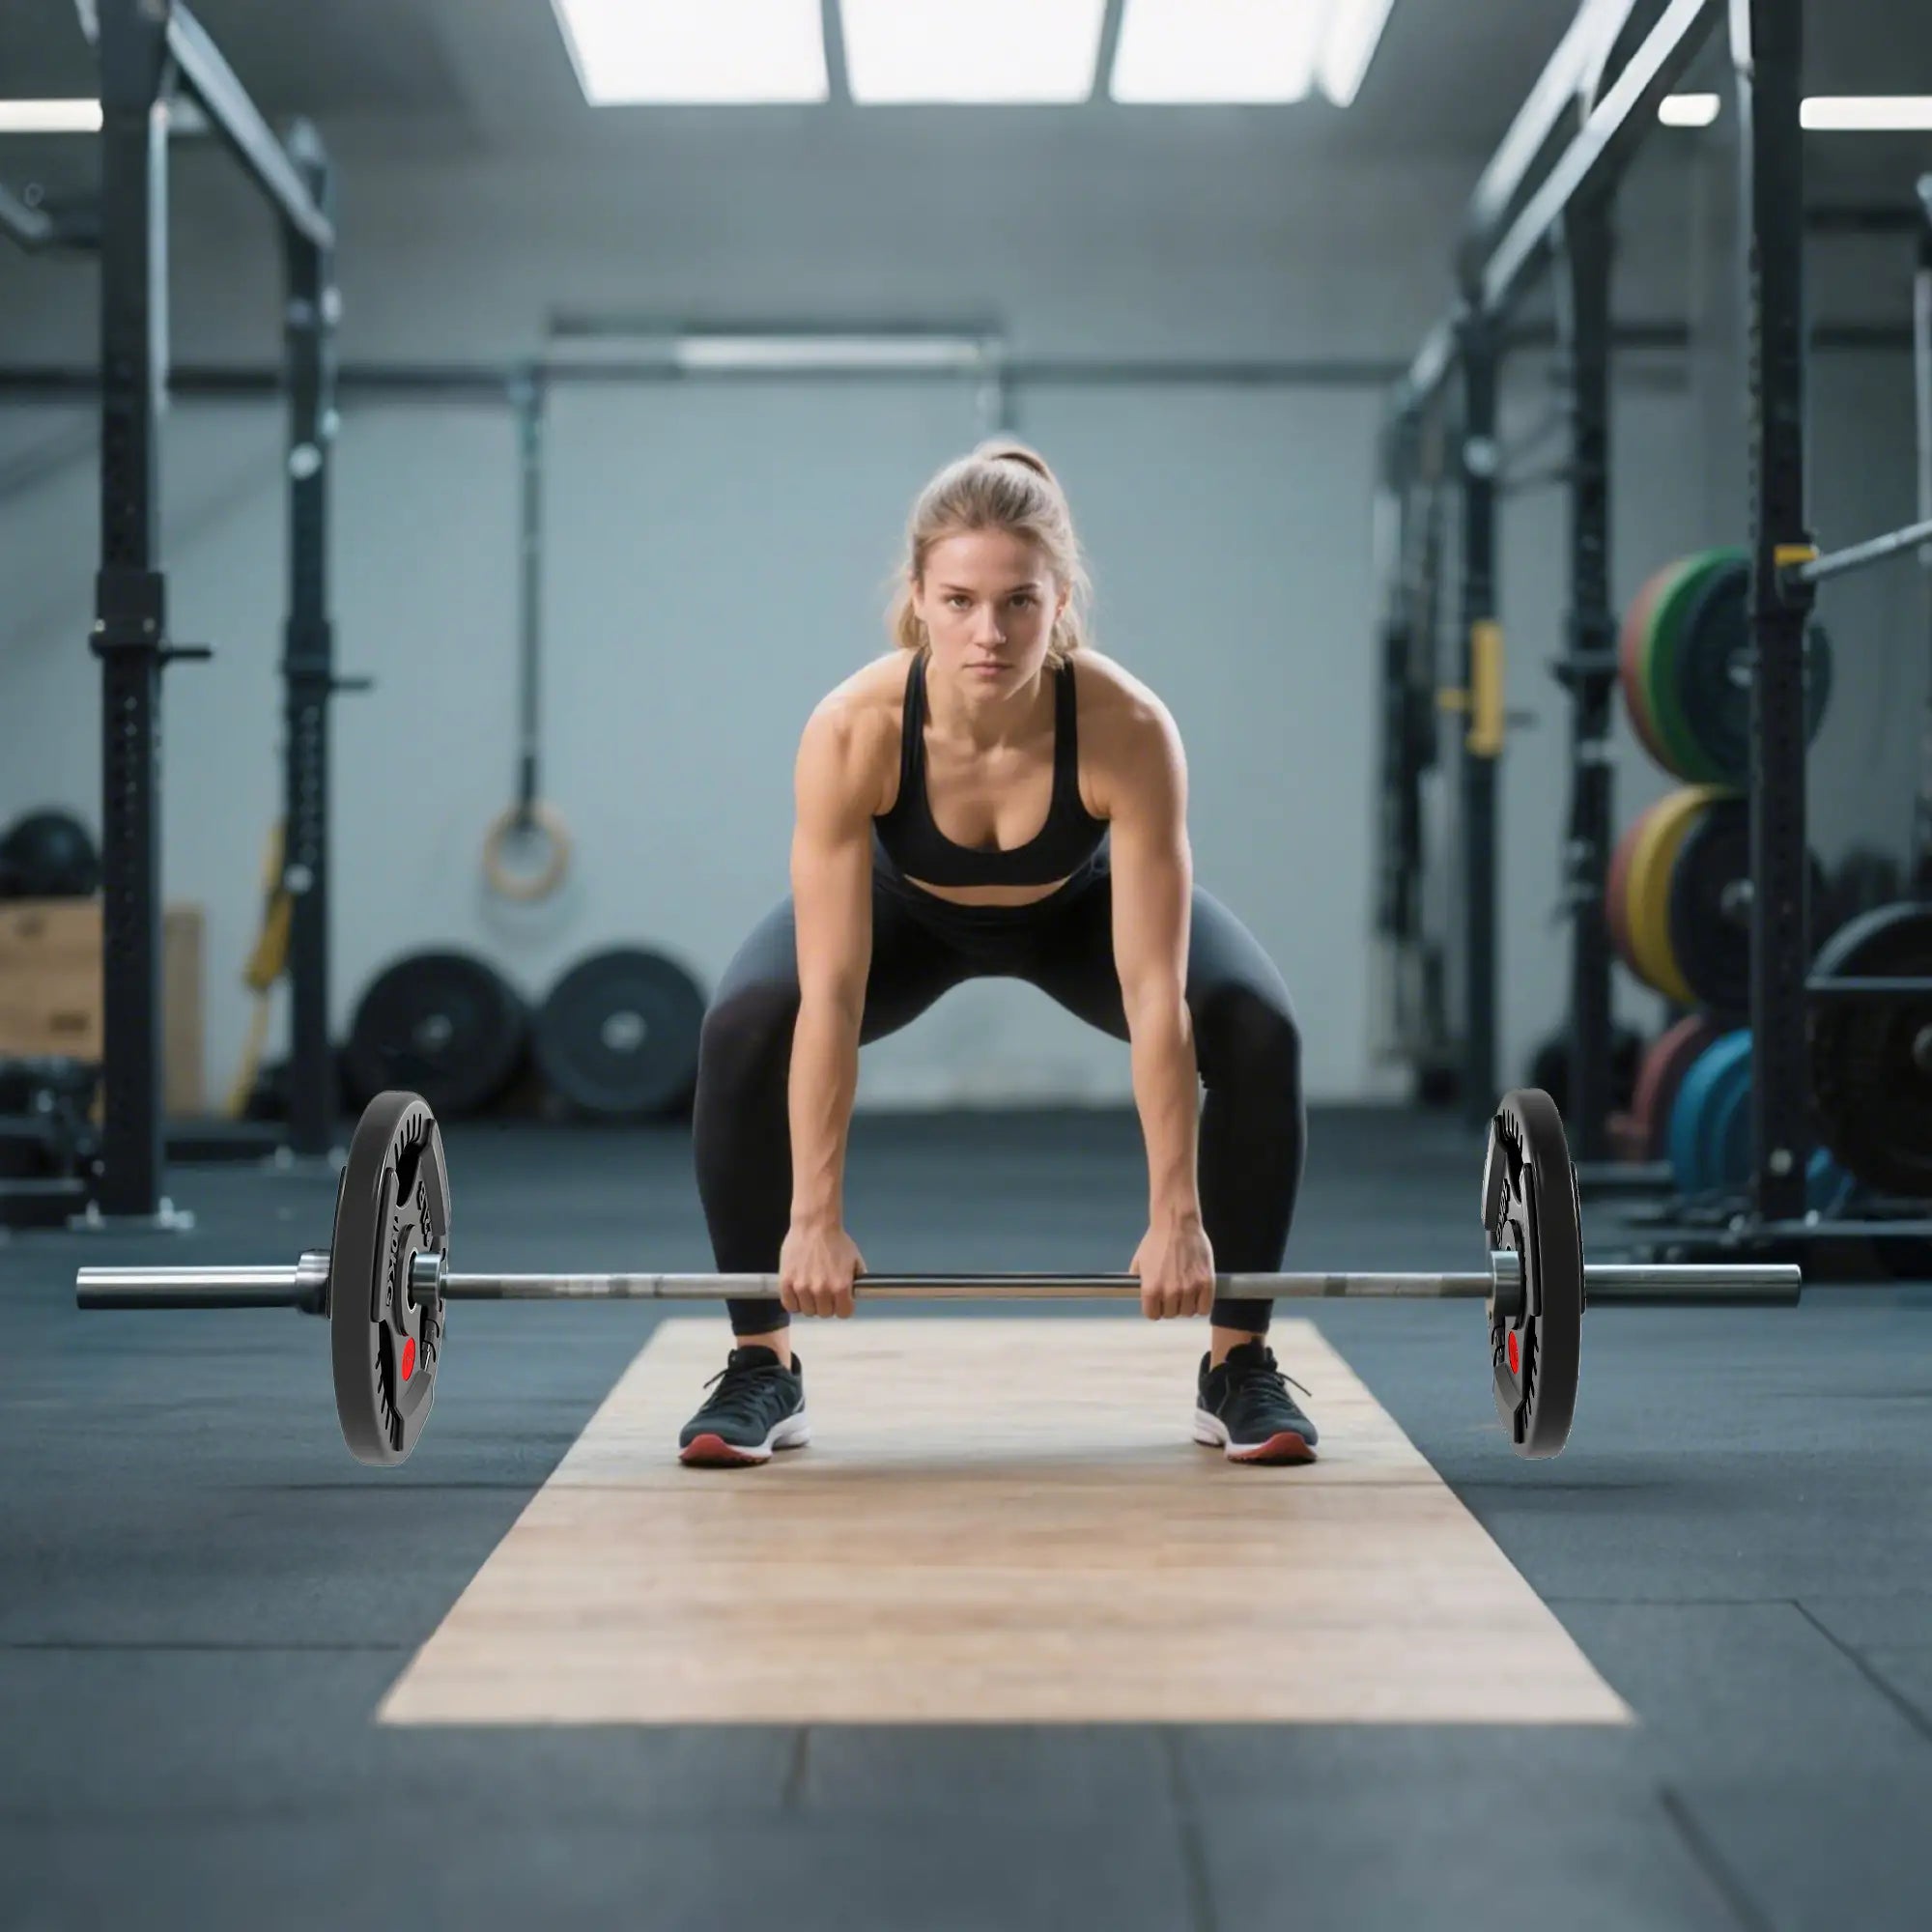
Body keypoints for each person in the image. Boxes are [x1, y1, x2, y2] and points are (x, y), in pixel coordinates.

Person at [682, 441, 1317, 1467]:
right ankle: (762, 1364)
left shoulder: (1127, 727)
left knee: (1254, 1024)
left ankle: (1237, 1363)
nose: (989, 631)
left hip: (1079, 908)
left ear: (1061, 598)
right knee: (746, 1022)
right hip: (903, 918)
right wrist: (812, 1219)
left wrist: (1175, 1217)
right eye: (961, 600)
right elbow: (834, 993)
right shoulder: (852, 729)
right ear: (918, 599)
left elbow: (1156, 994)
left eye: (1019, 601)